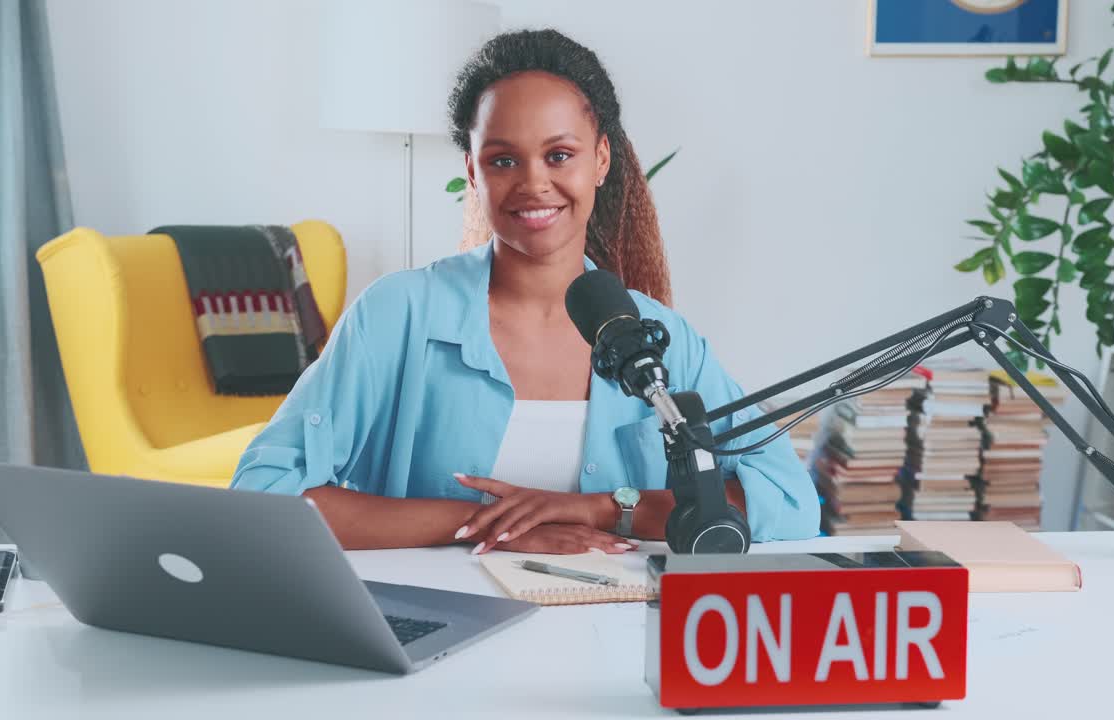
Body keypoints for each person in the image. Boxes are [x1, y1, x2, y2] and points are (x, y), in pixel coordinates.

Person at [231, 28, 819, 554]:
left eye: (559, 155)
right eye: (504, 159)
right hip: (439, 644)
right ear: (472, 171)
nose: (534, 183)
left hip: (617, 641)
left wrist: (597, 508)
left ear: (601, 160)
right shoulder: (400, 315)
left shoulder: (661, 339)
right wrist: (491, 522)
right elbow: (264, 494)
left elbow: (788, 501)